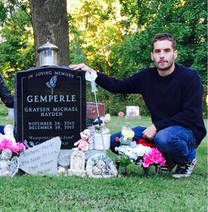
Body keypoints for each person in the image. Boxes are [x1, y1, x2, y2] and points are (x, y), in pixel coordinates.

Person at [70, 33, 206, 178]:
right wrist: (92, 73)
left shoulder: (190, 77)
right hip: (160, 131)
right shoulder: (146, 77)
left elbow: (190, 114)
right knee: (114, 141)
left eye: (167, 50)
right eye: (157, 51)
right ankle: (168, 158)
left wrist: (156, 127)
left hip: (187, 132)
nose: (162, 55)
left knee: (164, 138)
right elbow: (118, 86)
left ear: (175, 53)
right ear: (151, 55)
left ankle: (187, 159)